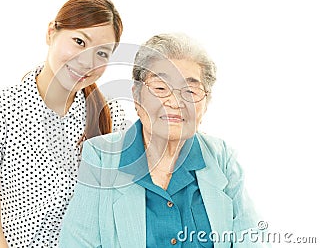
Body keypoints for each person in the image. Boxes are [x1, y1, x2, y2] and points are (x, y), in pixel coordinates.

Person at [59, 33, 270, 247]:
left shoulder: (221, 157)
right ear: (137, 96)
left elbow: (252, 237)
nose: (176, 102)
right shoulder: (102, 157)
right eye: (160, 88)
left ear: (206, 103)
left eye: (190, 91)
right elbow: (77, 242)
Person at [0, 0, 125, 248]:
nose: (87, 62)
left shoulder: (112, 116)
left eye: (101, 53)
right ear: (51, 33)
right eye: (79, 41)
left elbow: (116, 213)